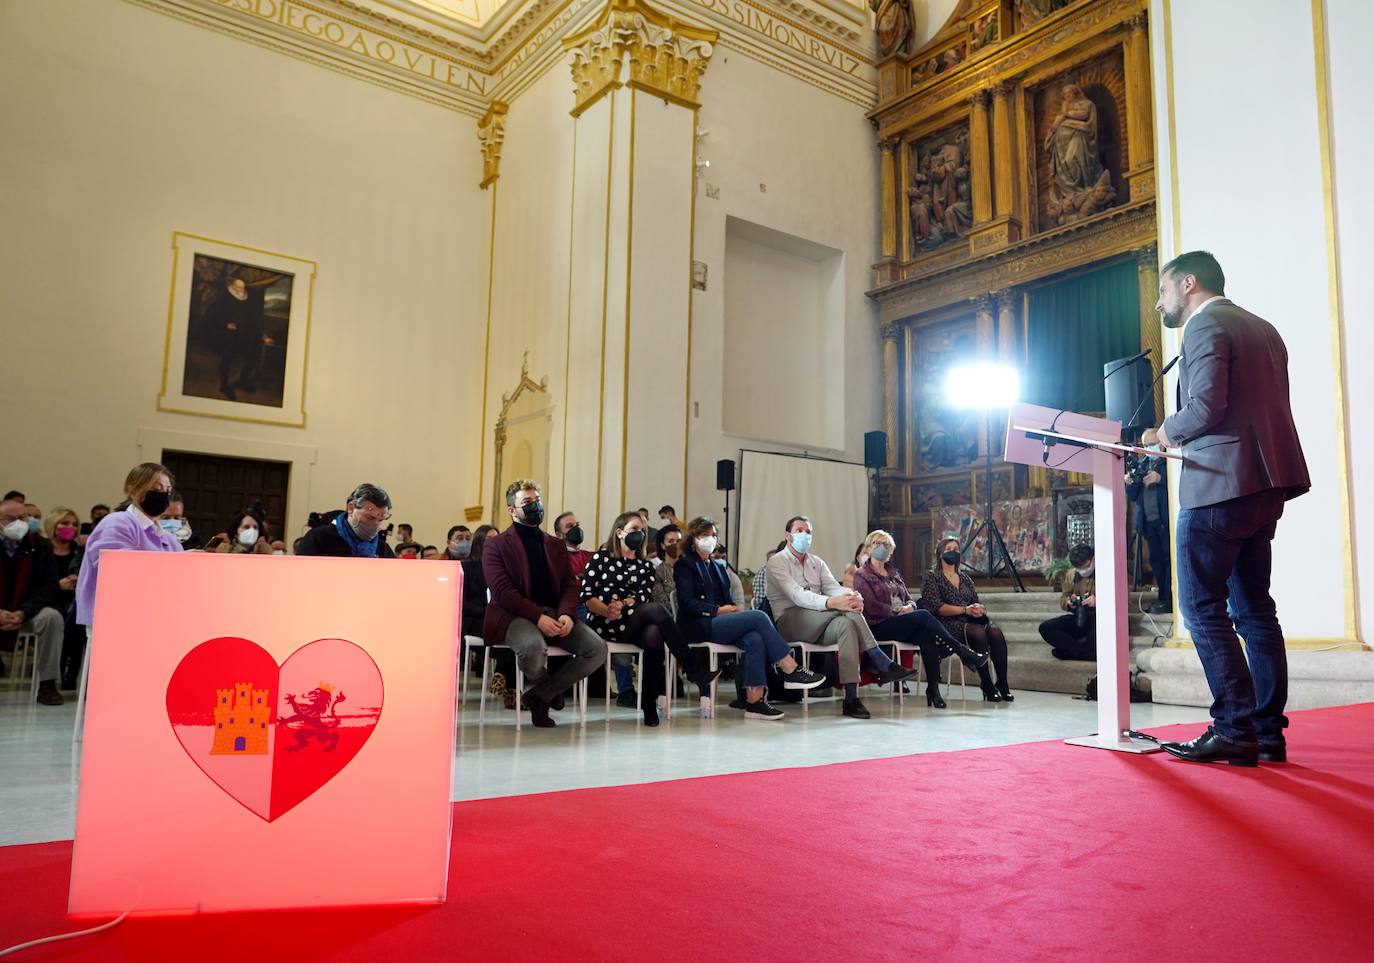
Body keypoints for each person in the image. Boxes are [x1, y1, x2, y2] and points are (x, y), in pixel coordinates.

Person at [1143, 250, 1310, 767]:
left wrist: (1160, 433)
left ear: (1188, 284)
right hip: (1265, 484)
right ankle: (1265, 732)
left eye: (1164, 290)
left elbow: (1207, 405)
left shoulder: (1204, 325)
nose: (1158, 302)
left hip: (1218, 486)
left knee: (1202, 609)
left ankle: (1233, 728)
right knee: (1255, 609)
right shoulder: (1263, 327)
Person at [482, 479, 607, 728]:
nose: (535, 506)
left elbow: (570, 585)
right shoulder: (495, 546)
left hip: (554, 613)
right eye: (527, 502)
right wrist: (538, 617)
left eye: (537, 500)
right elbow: (503, 592)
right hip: (512, 615)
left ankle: (542, 694)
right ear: (512, 510)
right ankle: (543, 688)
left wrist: (567, 614)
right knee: (533, 648)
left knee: (597, 648)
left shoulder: (554, 544)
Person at [580, 512, 722, 726]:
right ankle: (692, 669)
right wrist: (607, 609)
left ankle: (648, 704)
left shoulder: (645, 566)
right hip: (604, 623)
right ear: (620, 532)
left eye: (643, 530)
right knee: (656, 611)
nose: (640, 533)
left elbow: (640, 596)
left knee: (654, 633)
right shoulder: (601, 559)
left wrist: (622, 604)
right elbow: (587, 595)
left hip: (631, 623)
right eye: (635, 529)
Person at [676, 516, 824, 720]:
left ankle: (755, 701)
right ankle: (789, 667)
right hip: (697, 624)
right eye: (704, 535)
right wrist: (717, 611)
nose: (710, 539)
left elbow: (726, 598)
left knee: (755, 637)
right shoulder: (685, 565)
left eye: (713, 535)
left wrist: (732, 610)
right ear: (693, 538)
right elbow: (686, 602)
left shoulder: (718, 568)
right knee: (759, 616)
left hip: (720, 622)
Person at [766, 516, 913, 719]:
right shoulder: (777, 562)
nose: (805, 535)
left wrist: (853, 596)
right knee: (844, 610)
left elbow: (833, 587)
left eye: (808, 532)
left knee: (846, 625)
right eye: (800, 530)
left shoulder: (816, 562)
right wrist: (832, 603)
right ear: (788, 535)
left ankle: (851, 698)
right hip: (790, 621)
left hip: (821, 620)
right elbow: (797, 595)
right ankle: (879, 660)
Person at [74, 464, 184, 701]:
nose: (163, 494)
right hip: (118, 620)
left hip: (158, 621)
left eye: (167, 489)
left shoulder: (168, 538)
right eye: (156, 488)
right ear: (132, 490)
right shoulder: (117, 523)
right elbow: (118, 571)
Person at [852, 530, 989, 709]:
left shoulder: (893, 572)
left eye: (886, 545)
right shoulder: (861, 574)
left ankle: (933, 689)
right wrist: (896, 611)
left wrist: (910, 606)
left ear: (890, 551)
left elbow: (909, 598)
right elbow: (870, 605)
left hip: (901, 620)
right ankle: (962, 651)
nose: (882, 548)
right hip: (878, 625)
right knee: (924, 615)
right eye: (877, 544)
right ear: (869, 548)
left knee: (926, 635)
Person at [921, 537, 1013, 702]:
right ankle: (986, 683)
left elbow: (974, 601)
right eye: (949, 549)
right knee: (978, 633)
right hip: (945, 623)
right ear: (940, 553)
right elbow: (936, 607)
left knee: (995, 632)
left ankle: (1003, 683)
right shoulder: (932, 577)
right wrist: (965, 610)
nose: (953, 552)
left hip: (970, 619)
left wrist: (979, 609)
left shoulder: (965, 578)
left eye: (956, 549)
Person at [0, 496, 64, 704]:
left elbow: (50, 585)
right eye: (11, 519)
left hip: (27, 611)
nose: (19, 523)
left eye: (23, 517)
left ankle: (47, 684)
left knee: (52, 617)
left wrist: (24, 611)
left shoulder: (41, 546)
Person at [45, 507, 86, 691]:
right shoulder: (43, 550)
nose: (71, 527)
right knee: (60, 618)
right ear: (54, 525)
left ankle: (72, 675)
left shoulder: (79, 551)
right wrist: (57, 585)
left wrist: (78, 580)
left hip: (73, 601)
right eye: (65, 523)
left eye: (74, 524)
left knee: (79, 619)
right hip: (48, 601)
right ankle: (55, 675)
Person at [294, 484, 397, 558]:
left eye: (380, 519)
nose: (376, 524)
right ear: (351, 508)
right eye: (370, 517)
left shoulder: (382, 549)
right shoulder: (318, 539)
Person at [1126, 449, 1172, 613]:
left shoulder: (1169, 462)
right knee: (1156, 561)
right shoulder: (1141, 464)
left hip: (1166, 520)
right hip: (1148, 521)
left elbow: (1179, 481)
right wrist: (1131, 482)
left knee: (1169, 561)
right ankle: (1162, 598)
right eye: (1144, 444)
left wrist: (1160, 478)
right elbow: (1133, 495)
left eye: (1151, 443)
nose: (1147, 448)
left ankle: (1170, 599)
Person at [1038, 544, 1097, 661]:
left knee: (1095, 639)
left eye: (1086, 566)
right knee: (1045, 628)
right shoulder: (1071, 574)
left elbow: (1125, 604)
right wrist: (1069, 602)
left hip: (1100, 620)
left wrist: (1100, 602)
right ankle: (1084, 653)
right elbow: (1064, 597)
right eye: (1079, 569)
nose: (1083, 571)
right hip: (1079, 618)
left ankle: (1071, 652)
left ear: (1093, 559)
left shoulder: (1108, 573)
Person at [208, 508, 273, 555]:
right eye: (246, 527)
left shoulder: (264, 553)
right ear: (236, 530)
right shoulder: (223, 550)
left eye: (255, 527)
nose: (252, 531)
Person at [553, 511, 594, 580]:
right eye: (570, 526)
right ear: (559, 535)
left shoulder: (591, 557)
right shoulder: (554, 559)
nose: (576, 529)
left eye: (577, 525)